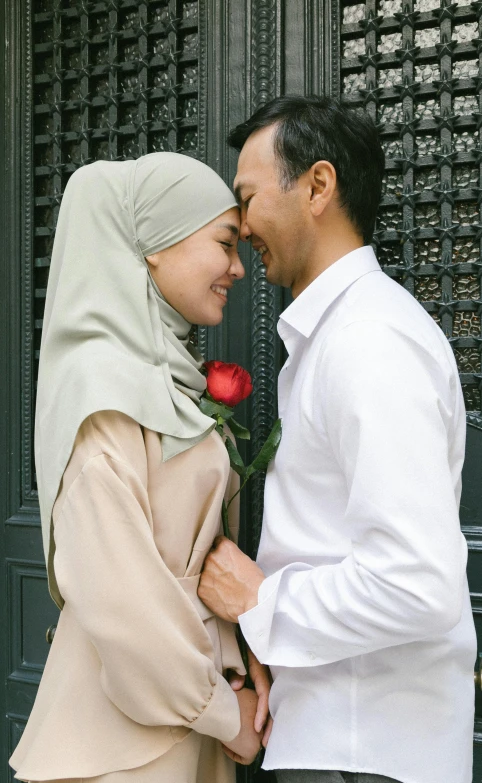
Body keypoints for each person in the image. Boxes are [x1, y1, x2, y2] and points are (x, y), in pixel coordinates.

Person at [198, 96, 477, 783]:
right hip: (341, 740)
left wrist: (261, 603)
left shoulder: (368, 341)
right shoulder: (341, 337)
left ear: (317, 186)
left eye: (249, 197)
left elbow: (417, 582)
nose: (239, 228)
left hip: (362, 750)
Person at [10, 152, 270, 783]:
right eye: (225, 242)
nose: (238, 267)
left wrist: (236, 654)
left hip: (185, 723)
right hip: (124, 745)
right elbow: (121, 598)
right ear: (153, 247)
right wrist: (221, 712)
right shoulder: (103, 397)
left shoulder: (167, 385)